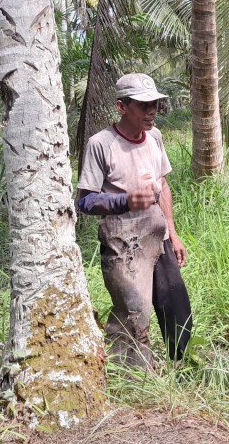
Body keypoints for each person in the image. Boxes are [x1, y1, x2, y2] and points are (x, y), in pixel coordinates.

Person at [76, 73, 192, 367]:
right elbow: (85, 201)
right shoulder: (101, 144)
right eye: (143, 105)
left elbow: (163, 185)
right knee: (133, 312)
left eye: (154, 103)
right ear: (122, 106)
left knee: (176, 308)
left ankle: (178, 367)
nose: (151, 110)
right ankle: (132, 380)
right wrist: (124, 201)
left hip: (156, 230)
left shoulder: (154, 137)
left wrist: (173, 235)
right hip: (122, 237)